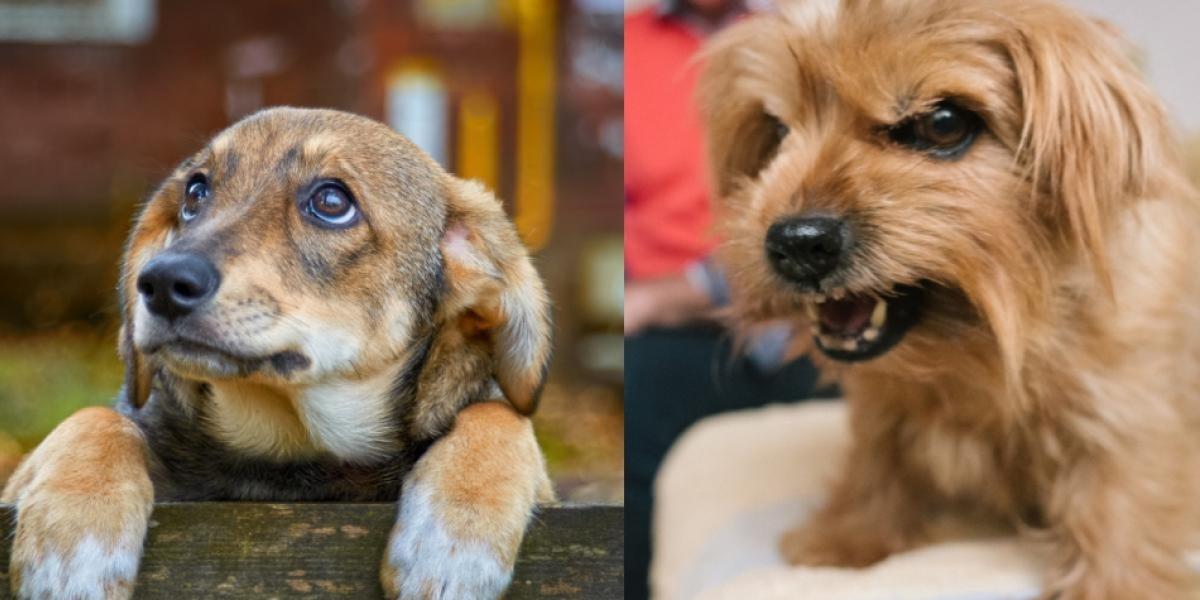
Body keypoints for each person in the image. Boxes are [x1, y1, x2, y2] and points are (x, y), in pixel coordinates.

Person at [624, 2, 829, 598]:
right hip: (686, 332)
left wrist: (678, 293)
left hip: (803, 312)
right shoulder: (629, 49)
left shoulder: (806, 32)